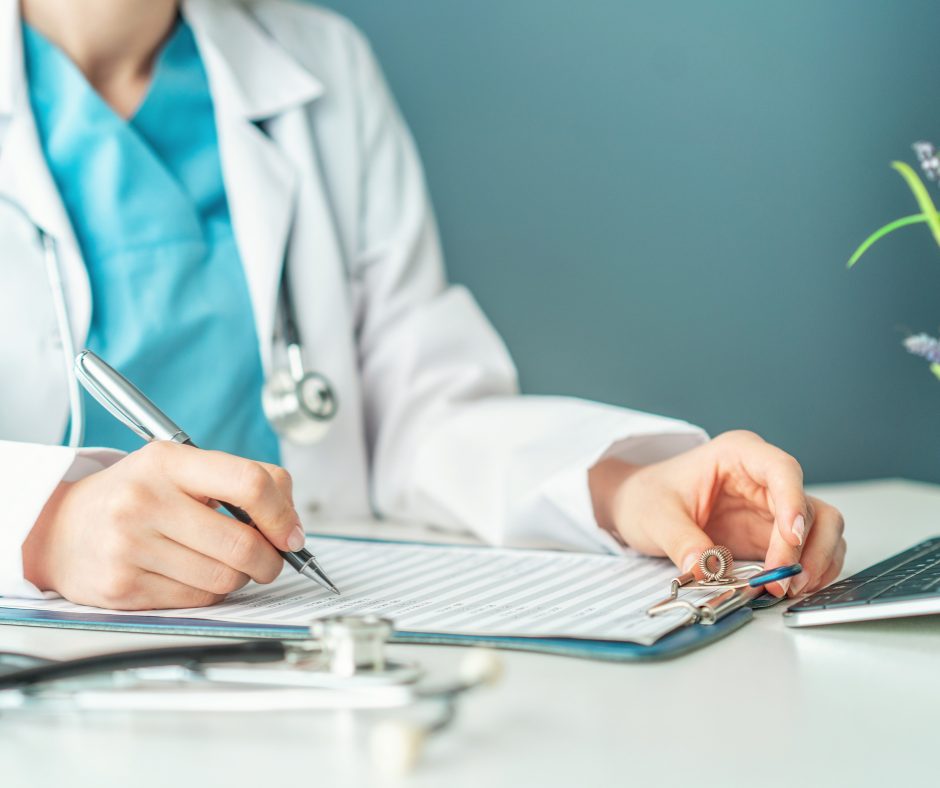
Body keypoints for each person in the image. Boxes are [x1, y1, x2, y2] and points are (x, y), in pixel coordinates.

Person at [0, 0, 845, 610]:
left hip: (296, 636)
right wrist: (46, 528)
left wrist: (627, 489)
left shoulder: (324, 65)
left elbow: (420, 413)